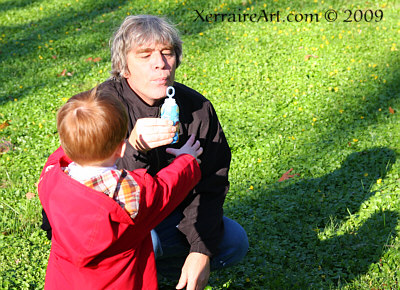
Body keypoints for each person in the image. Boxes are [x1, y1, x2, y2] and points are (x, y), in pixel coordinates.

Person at [42, 14, 249, 290]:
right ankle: (135, 266)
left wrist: (200, 249)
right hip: (109, 223)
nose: (160, 64)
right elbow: (98, 183)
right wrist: (136, 148)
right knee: (142, 238)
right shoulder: (100, 111)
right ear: (123, 66)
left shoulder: (197, 109)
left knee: (234, 241)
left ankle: (162, 264)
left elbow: (211, 184)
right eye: (145, 55)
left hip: (162, 216)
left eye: (168, 53)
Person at [38, 88, 203, 289]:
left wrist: (80, 136)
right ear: (122, 148)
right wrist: (187, 159)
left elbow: (58, 156)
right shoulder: (131, 193)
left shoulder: (51, 177)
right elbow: (166, 188)